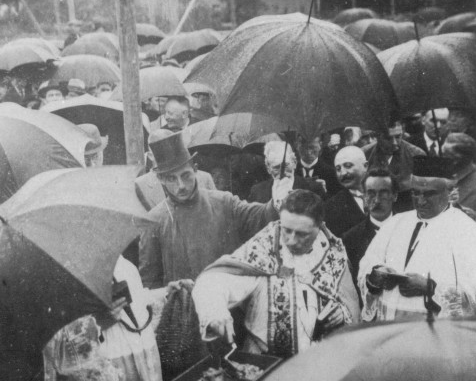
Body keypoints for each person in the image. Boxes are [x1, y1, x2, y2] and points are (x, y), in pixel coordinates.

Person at [192, 189, 359, 360]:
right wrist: (215, 310)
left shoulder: (333, 253)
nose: (291, 240)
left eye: (302, 234)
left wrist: (341, 313)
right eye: (286, 230)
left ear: (319, 227)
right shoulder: (264, 248)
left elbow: (350, 305)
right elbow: (211, 281)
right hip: (266, 363)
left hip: (318, 364)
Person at [139, 130, 281, 289]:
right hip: (184, 308)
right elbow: (149, 282)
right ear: (161, 179)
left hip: (227, 303)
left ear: (195, 169)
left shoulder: (224, 202)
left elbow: (260, 216)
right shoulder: (154, 221)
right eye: (171, 178)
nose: (181, 185)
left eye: (185, 175)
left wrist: (279, 197)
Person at [359, 165, 476, 321]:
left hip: (434, 333)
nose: (420, 201)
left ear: (449, 191)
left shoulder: (468, 231)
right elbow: (367, 265)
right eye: (415, 193)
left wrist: (429, 287)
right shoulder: (396, 222)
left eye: (429, 194)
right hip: (389, 328)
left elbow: (475, 295)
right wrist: (376, 274)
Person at [342, 168, 398, 285]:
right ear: (363, 196)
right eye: (371, 193)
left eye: (383, 193)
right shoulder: (351, 238)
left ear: (394, 196)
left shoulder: (408, 229)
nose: (377, 200)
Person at [135, 130, 215, 211]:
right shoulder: (140, 184)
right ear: (150, 155)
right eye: (161, 151)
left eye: (173, 148)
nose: (169, 154)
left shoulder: (205, 178)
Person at [363, 118, 426, 212]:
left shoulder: (416, 155)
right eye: (388, 138)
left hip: (406, 210)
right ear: (377, 136)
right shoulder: (364, 155)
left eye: (398, 136)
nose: (394, 143)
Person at [249, 139, 325, 203]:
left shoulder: (313, 189)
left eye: (286, 165)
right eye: (276, 167)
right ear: (268, 168)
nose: (282, 172)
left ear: (294, 163)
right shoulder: (257, 191)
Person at [324, 145, 368, 237]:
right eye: (338, 169)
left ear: (365, 166)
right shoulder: (331, 207)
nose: (343, 173)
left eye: (348, 166)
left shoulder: (385, 193)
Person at [442, 133, 476, 211]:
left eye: (450, 157)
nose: (444, 160)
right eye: (443, 155)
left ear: (466, 158)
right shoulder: (443, 176)